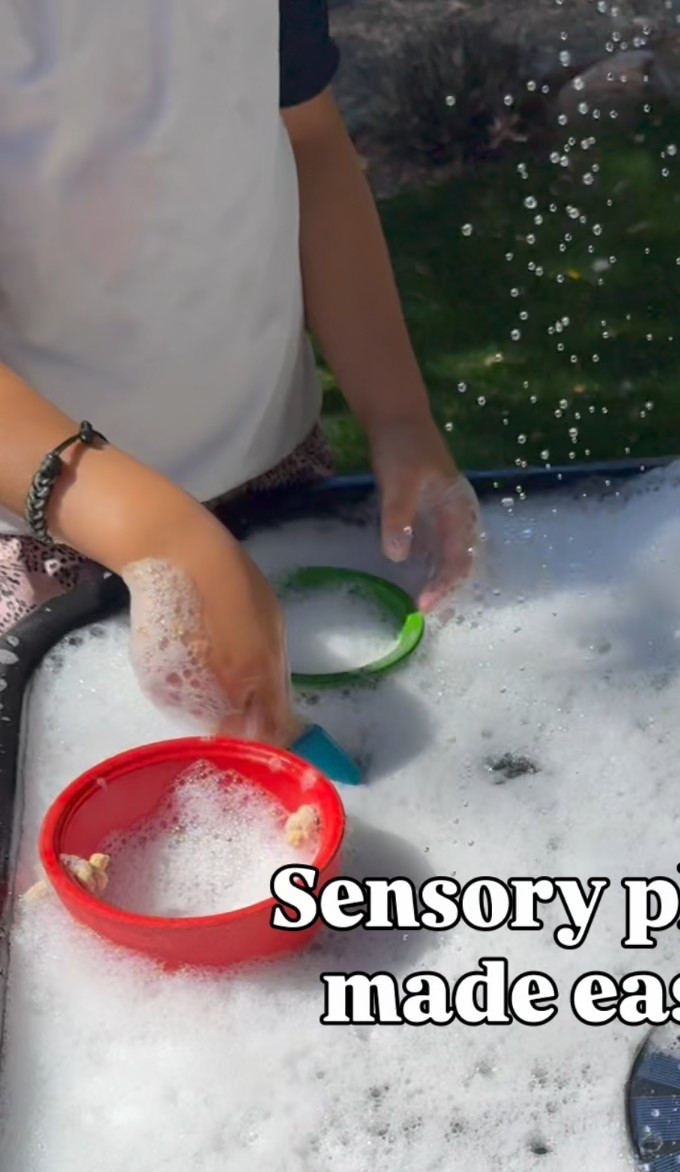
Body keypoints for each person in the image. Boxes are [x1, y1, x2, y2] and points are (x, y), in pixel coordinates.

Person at [0, 1, 480, 746]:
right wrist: (155, 533)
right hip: (45, 540)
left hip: (271, 468)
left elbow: (309, 139)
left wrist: (398, 416)